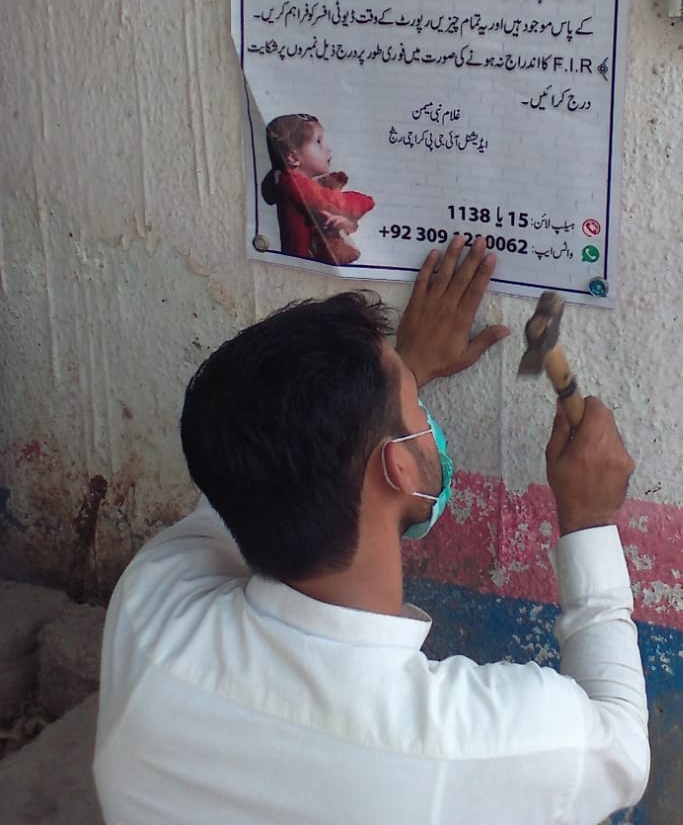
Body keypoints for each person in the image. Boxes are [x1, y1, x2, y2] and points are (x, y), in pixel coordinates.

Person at [94, 237, 650, 824]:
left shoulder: (151, 608)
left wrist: (392, 385)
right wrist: (589, 521)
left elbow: (256, 476)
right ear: (397, 467)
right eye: (414, 404)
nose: (422, 411)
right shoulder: (467, 741)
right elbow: (623, 750)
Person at [260, 112, 375, 265]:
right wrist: (365, 201)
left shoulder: (289, 181)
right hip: (304, 264)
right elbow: (335, 203)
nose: (328, 148)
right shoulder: (296, 185)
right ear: (293, 158)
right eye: (318, 142)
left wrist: (347, 223)